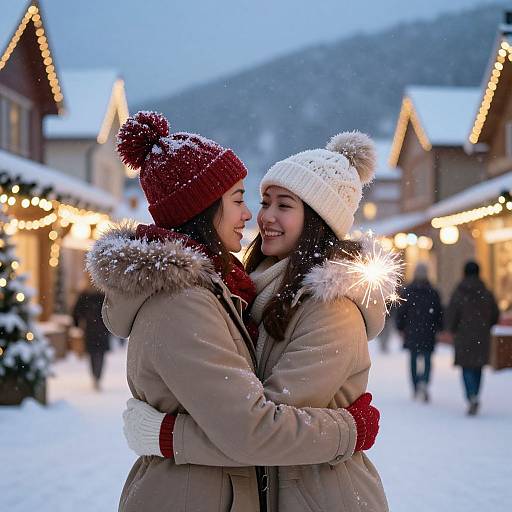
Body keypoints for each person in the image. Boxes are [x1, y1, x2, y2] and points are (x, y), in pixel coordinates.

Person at [87, 112, 381, 512]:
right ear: (204, 208)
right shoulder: (195, 301)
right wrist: (349, 430)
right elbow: (254, 431)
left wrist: (167, 435)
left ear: (318, 220)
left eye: (284, 205)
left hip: (317, 496)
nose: (257, 216)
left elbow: (258, 430)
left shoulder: (327, 308)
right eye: (251, 201)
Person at [446, 260, 499, 416]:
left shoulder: (459, 292)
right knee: (478, 367)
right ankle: (476, 393)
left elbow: (452, 314)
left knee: (466, 367)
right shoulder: (486, 292)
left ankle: (471, 395)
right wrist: (486, 325)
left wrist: (452, 328)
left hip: (463, 336)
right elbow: (495, 314)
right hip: (481, 336)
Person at [395, 263, 443, 402]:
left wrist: (400, 328)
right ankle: (424, 382)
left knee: (414, 359)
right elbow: (439, 313)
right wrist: (439, 328)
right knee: (427, 358)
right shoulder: (433, 291)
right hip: (428, 331)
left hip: (412, 331)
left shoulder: (408, 291)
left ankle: (416, 385)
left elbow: (401, 312)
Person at [72, 280, 110, 390]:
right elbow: (77, 311)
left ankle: (96, 376)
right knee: (98, 354)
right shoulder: (102, 295)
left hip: (94, 329)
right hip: (100, 329)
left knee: (94, 354)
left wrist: (77, 323)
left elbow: (76, 312)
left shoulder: (91, 295)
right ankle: (97, 376)